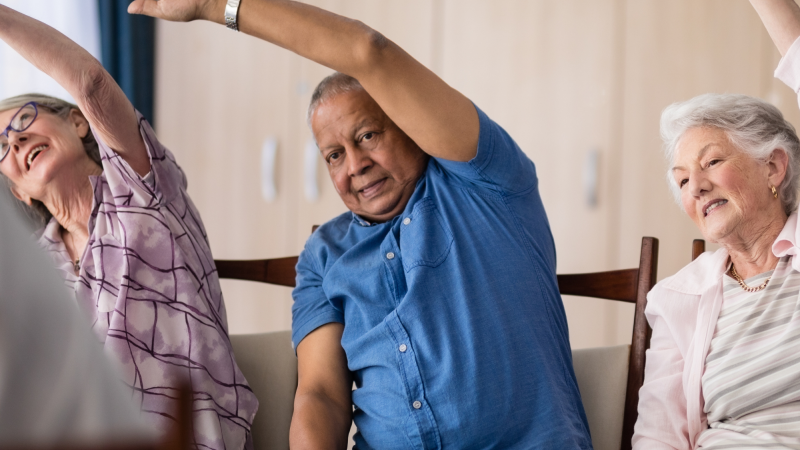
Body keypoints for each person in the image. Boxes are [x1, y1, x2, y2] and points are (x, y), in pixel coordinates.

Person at [130, 1, 592, 448]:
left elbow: (370, 52)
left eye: (368, 135)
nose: (355, 165)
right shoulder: (324, 254)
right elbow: (322, 395)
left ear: (410, 125)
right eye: (334, 155)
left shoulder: (485, 182)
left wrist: (214, 5)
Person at [0, 6, 257, 450]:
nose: (16, 140)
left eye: (23, 119)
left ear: (78, 122)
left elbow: (91, 84)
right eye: (1, 146)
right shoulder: (32, 273)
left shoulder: (141, 191)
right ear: (19, 192)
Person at [633, 1, 800, 447]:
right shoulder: (678, 296)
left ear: (773, 167)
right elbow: (658, 434)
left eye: (712, 162)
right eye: (683, 180)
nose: (696, 187)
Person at [0, 190, 155, 447]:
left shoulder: (139, 198)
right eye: (4, 148)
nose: (16, 147)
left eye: (19, 143)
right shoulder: (34, 257)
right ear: (19, 191)